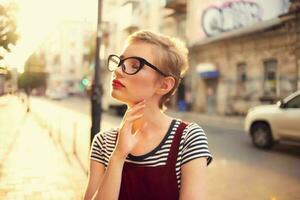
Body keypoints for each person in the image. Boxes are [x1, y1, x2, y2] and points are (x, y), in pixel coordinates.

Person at [84, 30, 213, 200]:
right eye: (120, 62)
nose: (118, 71)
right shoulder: (103, 142)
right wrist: (118, 155)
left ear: (164, 85)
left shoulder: (187, 137)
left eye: (135, 66)